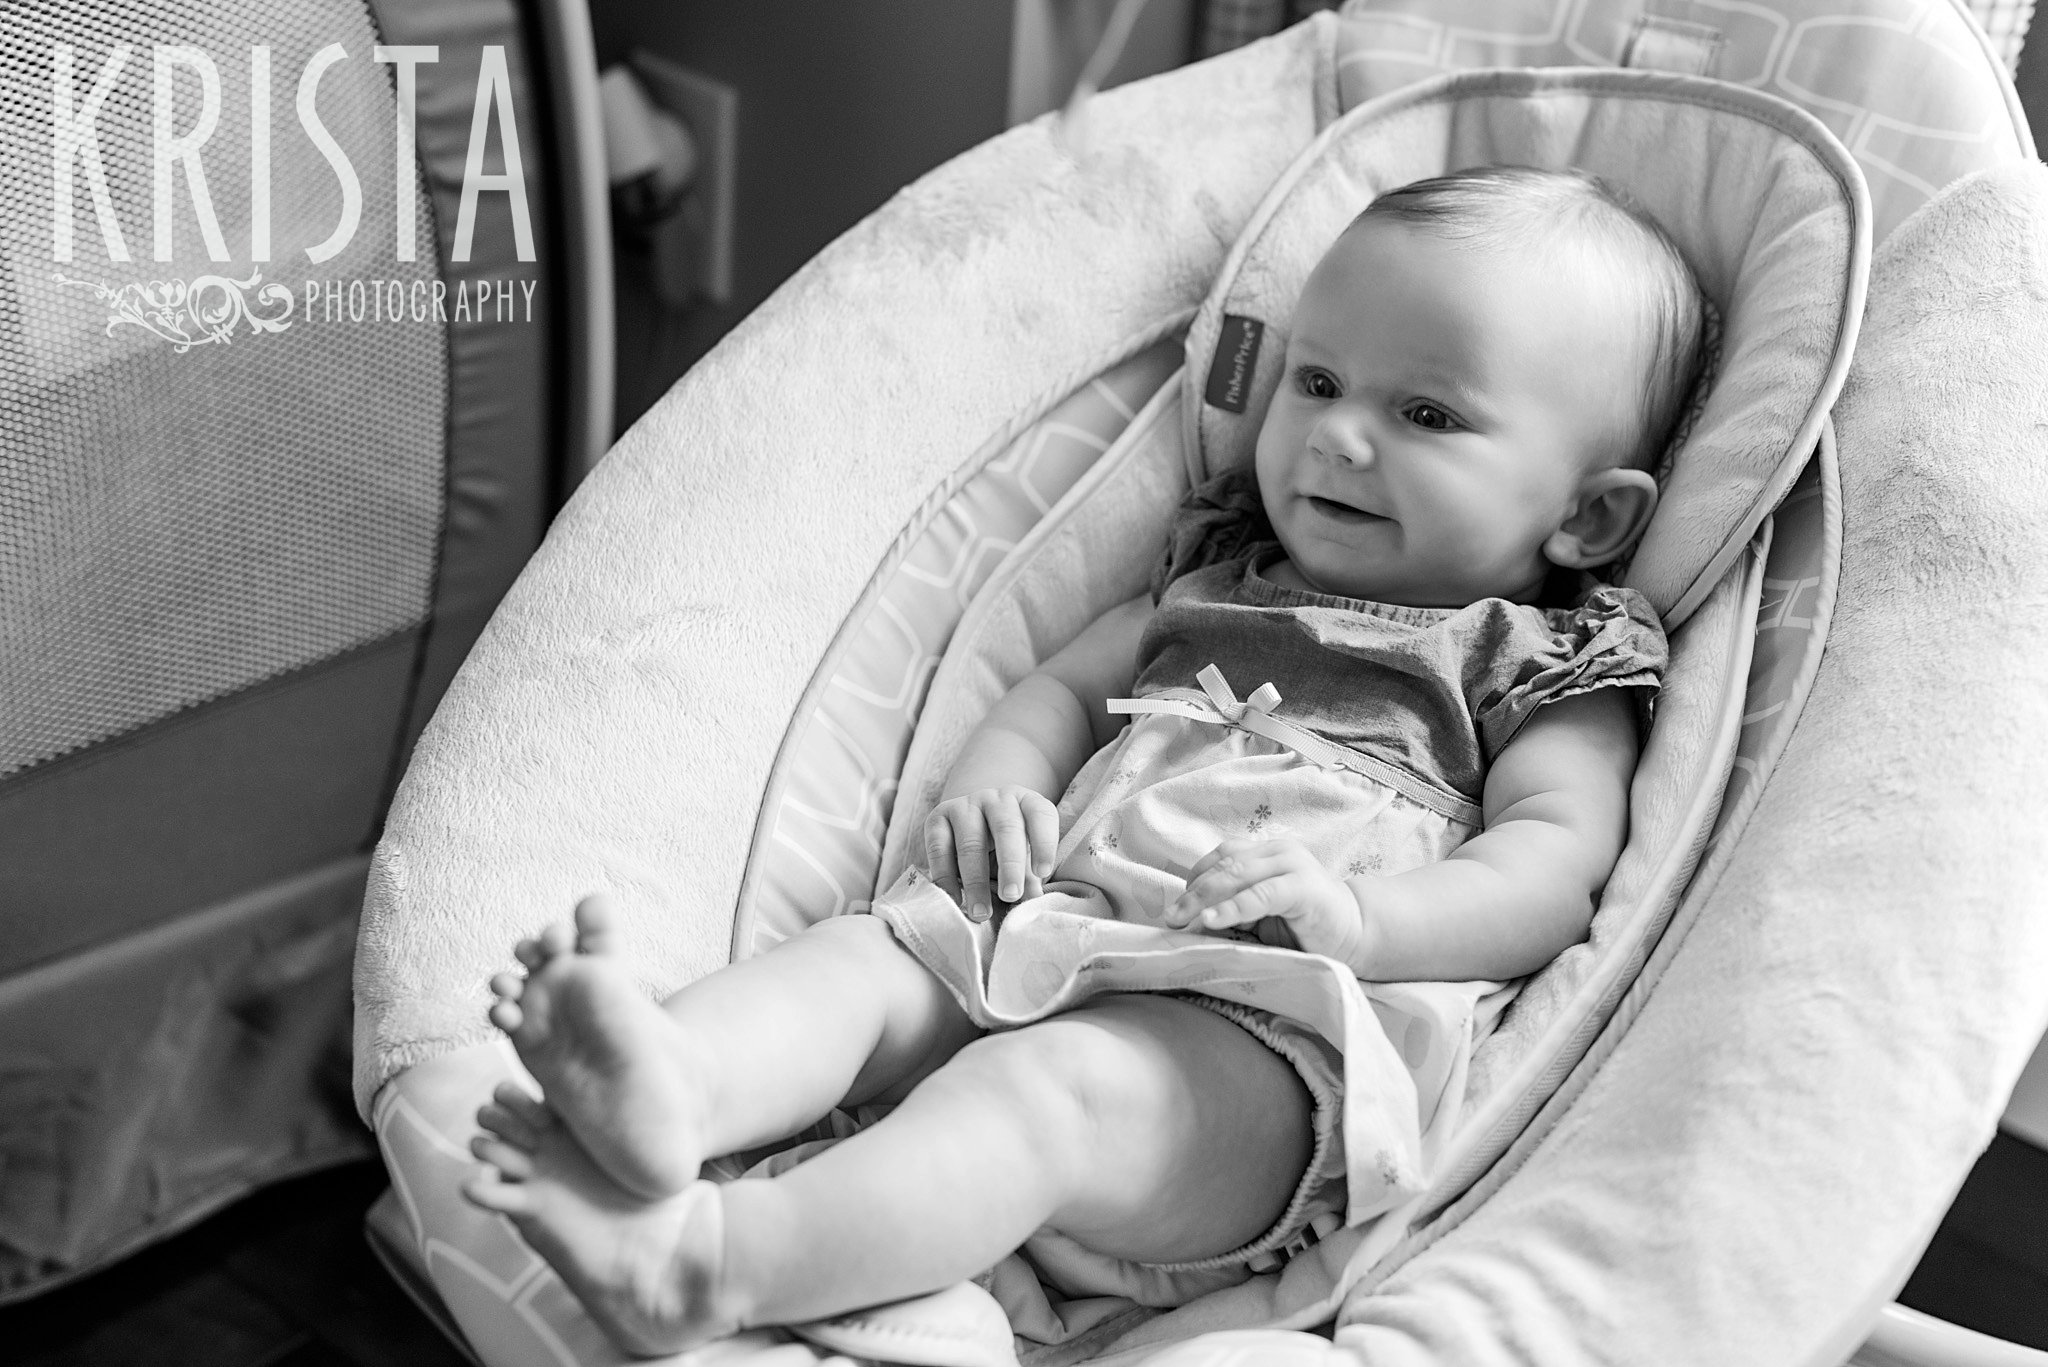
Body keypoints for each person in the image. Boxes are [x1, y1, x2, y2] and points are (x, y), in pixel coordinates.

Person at [461, 165, 1705, 1356]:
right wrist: (988, 789)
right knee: (871, 957)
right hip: (1054, 926)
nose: (1334, 438)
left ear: (1585, 514)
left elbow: (1553, 867)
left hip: (1258, 1043)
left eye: (1424, 413)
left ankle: (711, 1263)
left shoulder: (1529, 659)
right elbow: (1052, 689)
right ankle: (676, 1084)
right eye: (1316, 381)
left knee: (1048, 1087)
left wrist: (1362, 919)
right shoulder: (1216, 581)